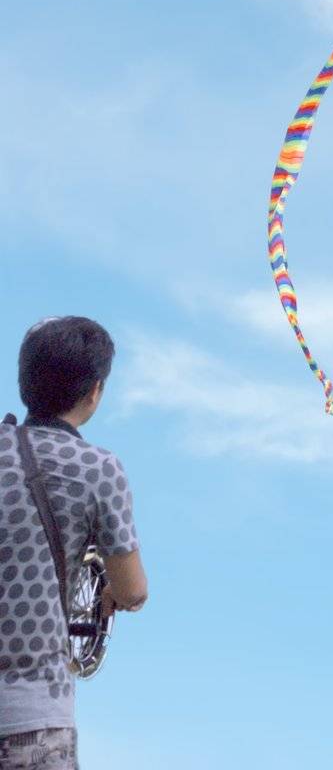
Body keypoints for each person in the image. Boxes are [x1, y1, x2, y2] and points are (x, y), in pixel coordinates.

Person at [0, 318, 147, 770]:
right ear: (94, 391)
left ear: (24, 380)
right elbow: (133, 591)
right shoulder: (98, 468)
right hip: (31, 715)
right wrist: (108, 592)